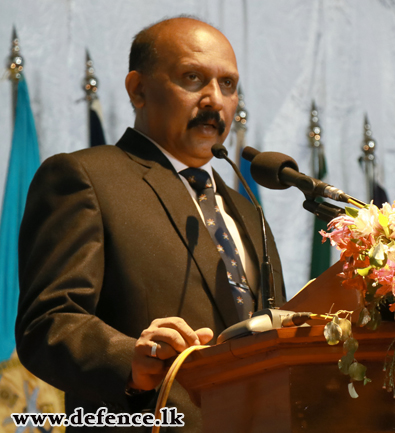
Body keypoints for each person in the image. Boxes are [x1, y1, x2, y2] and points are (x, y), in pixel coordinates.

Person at [15, 16, 284, 432]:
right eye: (193, 78)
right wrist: (130, 361)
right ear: (138, 89)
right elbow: (48, 323)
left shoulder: (246, 209)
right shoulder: (85, 179)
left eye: (228, 85)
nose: (215, 100)